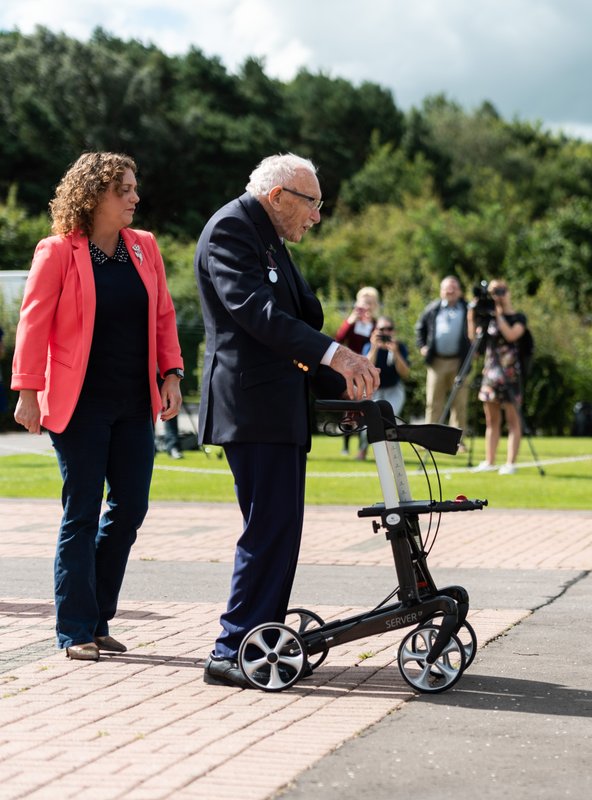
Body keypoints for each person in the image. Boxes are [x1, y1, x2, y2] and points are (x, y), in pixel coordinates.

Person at [194, 153, 379, 688]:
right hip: (252, 410)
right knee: (267, 529)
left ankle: (261, 638)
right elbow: (257, 313)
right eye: (312, 203)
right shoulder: (233, 227)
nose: (317, 216)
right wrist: (336, 357)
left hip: (279, 410)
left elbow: (295, 319)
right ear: (277, 197)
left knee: (280, 530)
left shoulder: (268, 236)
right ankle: (231, 648)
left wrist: (338, 383)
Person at [10, 152, 184, 661]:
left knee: (130, 507)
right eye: (124, 189)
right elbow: (33, 322)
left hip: (135, 400)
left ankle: (99, 615)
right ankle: (75, 628)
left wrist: (171, 373)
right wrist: (26, 390)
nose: (134, 197)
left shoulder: (145, 248)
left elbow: (164, 316)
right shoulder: (58, 250)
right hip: (78, 403)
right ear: (94, 196)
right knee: (81, 512)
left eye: (134, 188)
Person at [468, 279, 527, 475]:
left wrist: (497, 314)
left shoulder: (518, 317)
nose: (498, 295)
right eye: (494, 292)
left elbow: (511, 335)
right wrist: (472, 316)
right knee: (491, 420)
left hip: (511, 374)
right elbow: (475, 343)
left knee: (512, 419)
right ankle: (490, 460)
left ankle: (510, 463)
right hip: (491, 373)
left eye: (501, 291)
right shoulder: (488, 320)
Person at [415, 276, 471, 429]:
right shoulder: (432, 309)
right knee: (433, 402)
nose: (450, 291)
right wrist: (422, 346)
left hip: (460, 362)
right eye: (447, 288)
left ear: (460, 291)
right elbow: (420, 328)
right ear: (441, 291)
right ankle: (429, 440)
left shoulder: (468, 309)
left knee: (459, 403)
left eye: (453, 288)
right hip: (436, 362)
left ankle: (458, 442)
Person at [335, 287, 379, 454]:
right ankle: (346, 446)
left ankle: (364, 446)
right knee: (349, 406)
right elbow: (338, 339)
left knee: (364, 406)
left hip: (367, 367)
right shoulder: (352, 323)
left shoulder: (375, 324)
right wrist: (352, 319)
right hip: (350, 369)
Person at [366, 314, 410, 424]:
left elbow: (405, 374)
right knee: (368, 424)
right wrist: (374, 348)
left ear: (393, 331)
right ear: (375, 331)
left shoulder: (400, 347)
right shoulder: (368, 347)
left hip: (394, 389)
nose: (385, 332)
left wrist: (396, 353)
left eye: (389, 329)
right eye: (382, 329)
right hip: (373, 390)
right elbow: (366, 370)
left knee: (390, 420)